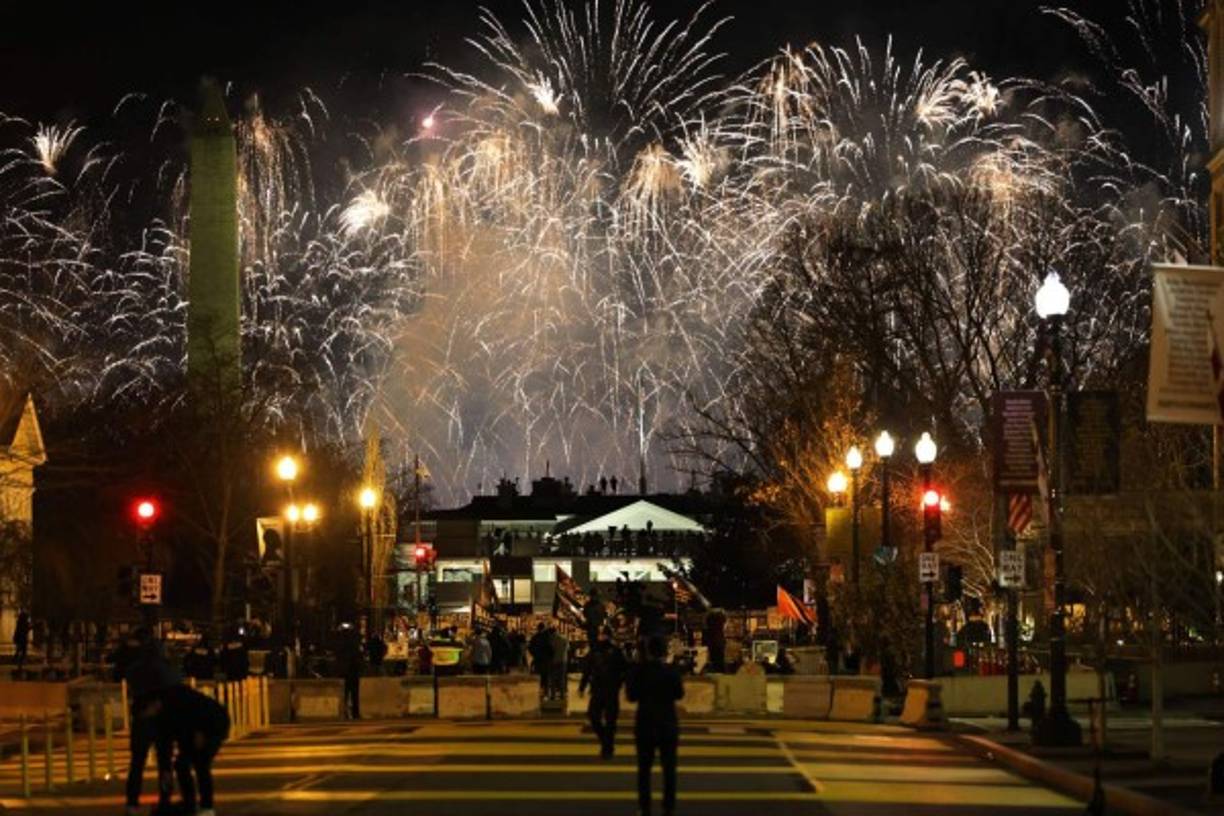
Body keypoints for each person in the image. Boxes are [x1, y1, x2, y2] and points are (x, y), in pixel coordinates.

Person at [116, 627, 180, 816]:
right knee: (165, 764)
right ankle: (165, 800)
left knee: (137, 763)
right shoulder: (168, 670)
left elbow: (129, 681)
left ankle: (132, 803)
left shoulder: (135, 669)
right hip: (163, 721)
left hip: (142, 719)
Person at [626, 635, 683, 816]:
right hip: (667, 722)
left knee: (644, 769)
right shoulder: (671, 671)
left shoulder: (639, 671)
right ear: (664, 651)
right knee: (669, 768)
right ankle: (668, 807)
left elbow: (631, 696)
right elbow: (679, 694)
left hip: (645, 722)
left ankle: (645, 807)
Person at [153, 682, 230, 816]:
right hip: (190, 732)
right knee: (181, 764)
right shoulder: (161, 716)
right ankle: (189, 803)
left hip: (212, 725)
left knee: (201, 764)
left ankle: (207, 807)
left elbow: (201, 708)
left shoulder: (176, 697)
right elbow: (164, 745)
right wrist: (165, 769)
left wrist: (200, 730)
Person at [579, 625, 627, 759]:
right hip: (601, 689)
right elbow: (588, 670)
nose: (601, 636)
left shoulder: (614, 651)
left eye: (602, 634)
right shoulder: (596, 651)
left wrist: (619, 682)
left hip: (608, 689)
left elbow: (624, 669)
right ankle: (607, 743)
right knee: (596, 717)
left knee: (608, 720)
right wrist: (582, 686)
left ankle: (607, 747)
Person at [336, 623, 364, 719]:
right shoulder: (355, 644)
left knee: (344, 693)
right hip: (353, 671)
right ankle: (355, 713)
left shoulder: (340, 643)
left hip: (344, 671)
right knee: (354, 694)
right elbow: (359, 656)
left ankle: (344, 712)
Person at [528, 623, 553, 697]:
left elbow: (530, 647)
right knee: (546, 675)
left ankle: (541, 689)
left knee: (541, 674)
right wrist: (551, 655)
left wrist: (534, 654)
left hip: (538, 658)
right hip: (546, 658)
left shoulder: (535, 637)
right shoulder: (547, 636)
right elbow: (550, 647)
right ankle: (546, 690)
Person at [549, 626, 569, 700]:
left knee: (553, 678)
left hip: (554, 660)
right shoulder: (564, 638)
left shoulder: (551, 639)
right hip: (563, 660)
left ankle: (553, 695)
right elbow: (568, 648)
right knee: (562, 678)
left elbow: (550, 649)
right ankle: (562, 695)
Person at [13, 610, 29, 676]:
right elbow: (25, 629)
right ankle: (19, 663)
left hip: (21, 639)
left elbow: (19, 630)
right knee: (22, 651)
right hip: (22, 639)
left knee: (21, 651)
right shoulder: (23, 623)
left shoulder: (20, 623)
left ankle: (19, 663)